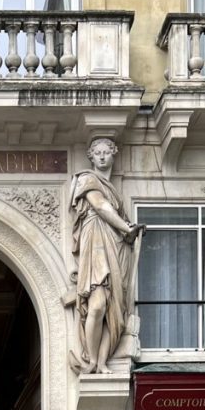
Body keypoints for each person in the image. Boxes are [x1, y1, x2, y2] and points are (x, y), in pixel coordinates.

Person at [67, 137, 144, 374]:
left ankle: (101, 362)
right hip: (96, 246)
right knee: (98, 305)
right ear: (90, 156)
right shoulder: (86, 179)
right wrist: (126, 227)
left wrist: (128, 233)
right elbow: (100, 206)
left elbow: (113, 212)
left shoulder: (116, 194)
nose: (102, 156)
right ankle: (90, 359)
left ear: (114, 154)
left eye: (106, 152)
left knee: (114, 310)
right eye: (97, 152)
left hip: (117, 247)